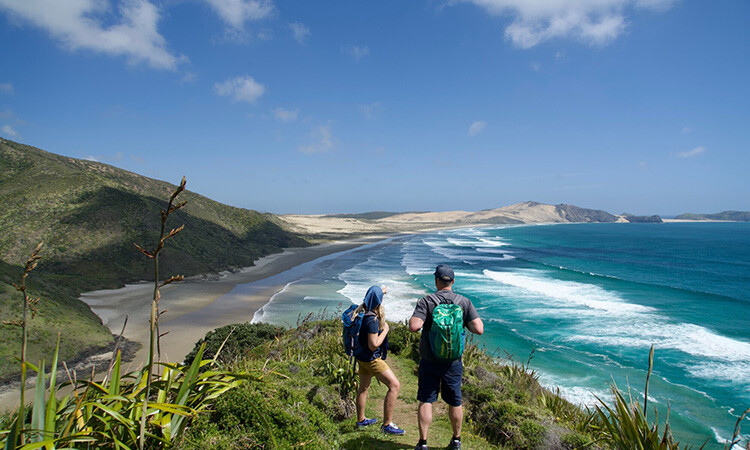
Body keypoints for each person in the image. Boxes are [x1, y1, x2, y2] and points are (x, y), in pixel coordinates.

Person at [409, 265, 484, 450]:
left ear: (436, 281)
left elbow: (414, 326)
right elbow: (479, 329)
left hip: (429, 360)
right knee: (455, 401)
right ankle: (456, 440)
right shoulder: (464, 302)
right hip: (453, 363)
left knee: (426, 400)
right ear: (453, 281)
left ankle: (423, 443)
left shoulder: (426, 302)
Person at [353, 285, 405, 435]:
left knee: (363, 388)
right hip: (371, 359)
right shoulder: (372, 319)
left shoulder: (363, 312)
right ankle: (387, 425)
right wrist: (386, 330)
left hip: (361, 358)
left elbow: (375, 293)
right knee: (394, 385)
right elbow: (373, 344)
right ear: (378, 301)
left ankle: (361, 420)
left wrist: (383, 290)